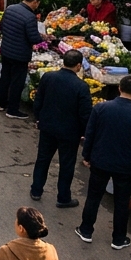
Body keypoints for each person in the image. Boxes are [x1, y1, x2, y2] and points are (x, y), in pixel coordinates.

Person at [75, 74, 131, 250]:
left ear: (119, 88)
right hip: (126, 166)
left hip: (100, 161)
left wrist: (86, 155)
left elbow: (90, 133)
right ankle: (118, 238)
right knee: (122, 203)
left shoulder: (101, 108)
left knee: (93, 197)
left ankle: (86, 230)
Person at [30, 50, 93, 207]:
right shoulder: (81, 86)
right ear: (78, 66)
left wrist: (38, 118)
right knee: (67, 165)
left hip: (48, 128)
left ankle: (36, 190)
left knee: (43, 159)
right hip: (70, 133)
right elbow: (85, 114)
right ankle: (63, 197)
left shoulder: (48, 77)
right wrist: (85, 134)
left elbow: (38, 100)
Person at [0, 0, 45, 120]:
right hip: (19, 55)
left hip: (6, 50)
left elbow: (2, 26)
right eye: (38, 3)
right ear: (35, 2)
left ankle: (1, 104)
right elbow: (33, 38)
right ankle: (12, 110)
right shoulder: (30, 17)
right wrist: (43, 38)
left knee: (5, 77)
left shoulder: (10, 8)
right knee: (17, 82)